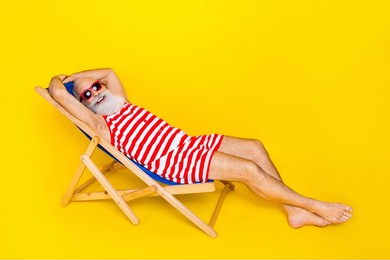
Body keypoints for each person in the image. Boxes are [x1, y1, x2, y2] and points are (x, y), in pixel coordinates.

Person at [43, 68, 353, 229]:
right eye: (87, 94)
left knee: (255, 148)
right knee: (248, 170)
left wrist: (79, 77)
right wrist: (62, 82)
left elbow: (108, 70)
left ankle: (293, 212)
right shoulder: (101, 126)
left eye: (96, 86)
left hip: (189, 143)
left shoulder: (121, 103)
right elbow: (57, 92)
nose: (97, 91)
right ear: (83, 105)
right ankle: (313, 205)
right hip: (171, 162)